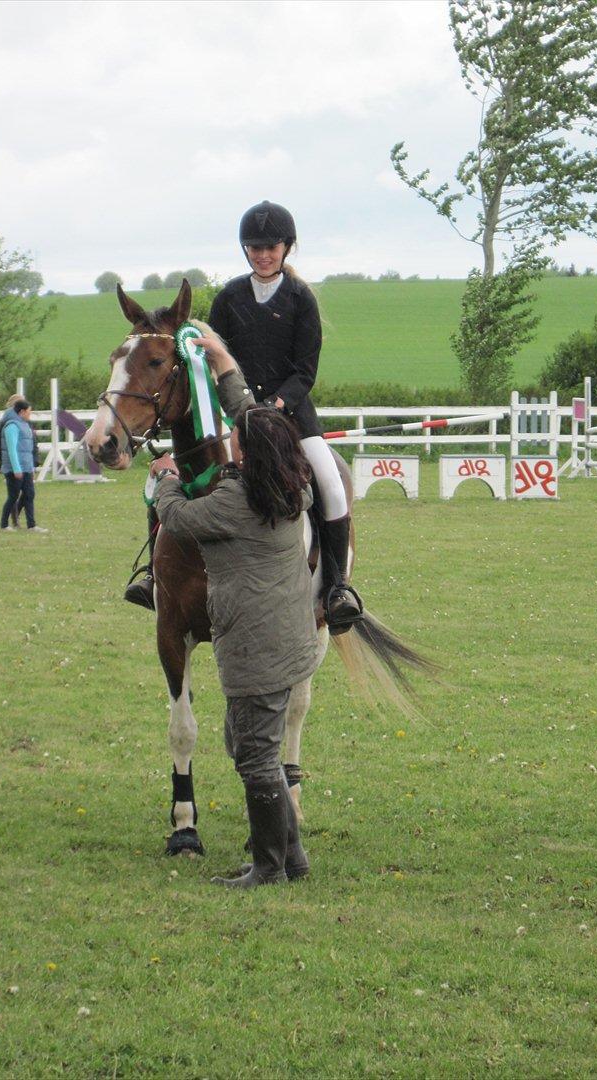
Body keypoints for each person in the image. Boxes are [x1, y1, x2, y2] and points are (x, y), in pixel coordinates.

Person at [125, 199, 362, 634]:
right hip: (229, 414)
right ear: (245, 249)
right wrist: (234, 406)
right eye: (254, 247)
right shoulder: (231, 297)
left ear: (286, 247)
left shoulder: (301, 299)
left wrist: (274, 406)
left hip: (290, 415)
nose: (263, 254)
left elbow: (305, 371)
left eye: (270, 246)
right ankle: (153, 576)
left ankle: (337, 587)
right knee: (165, 476)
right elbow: (213, 359)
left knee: (330, 482)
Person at [151, 336, 317, 888]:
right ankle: (291, 857)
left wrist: (168, 478)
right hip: (288, 642)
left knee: (251, 757)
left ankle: (268, 868)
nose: (232, 442)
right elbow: (253, 420)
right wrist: (223, 365)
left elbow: (174, 519)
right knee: (248, 744)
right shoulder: (290, 484)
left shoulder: (230, 503)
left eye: (236, 441)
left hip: (253, 648)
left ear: (246, 452)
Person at [0, 399, 47, 533]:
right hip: (15, 469)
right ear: (22, 412)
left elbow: (28, 449)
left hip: (26, 468)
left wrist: (31, 467)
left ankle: (32, 525)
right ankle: (4, 524)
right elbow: (12, 449)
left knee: (29, 495)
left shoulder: (25, 425)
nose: (30, 414)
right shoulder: (12, 426)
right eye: (28, 412)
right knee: (13, 496)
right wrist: (16, 468)